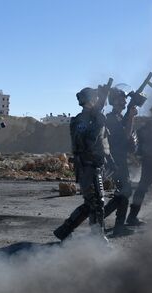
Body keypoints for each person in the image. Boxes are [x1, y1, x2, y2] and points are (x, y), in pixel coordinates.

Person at [53, 86, 111, 242]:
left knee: (92, 203)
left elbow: (103, 144)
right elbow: (84, 143)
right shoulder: (80, 120)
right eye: (97, 99)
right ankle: (97, 238)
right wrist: (98, 124)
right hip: (87, 165)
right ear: (90, 100)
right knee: (96, 203)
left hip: (95, 165)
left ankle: (64, 230)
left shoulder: (94, 118)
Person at [103, 87, 138, 236]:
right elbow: (124, 137)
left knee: (124, 191)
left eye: (124, 98)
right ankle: (112, 224)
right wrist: (131, 117)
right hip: (115, 160)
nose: (124, 101)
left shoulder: (117, 117)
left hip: (119, 159)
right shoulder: (111, 118)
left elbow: (129, 139)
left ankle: (111, 223)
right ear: (115, 101)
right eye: (121, 98)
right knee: (125, 190)